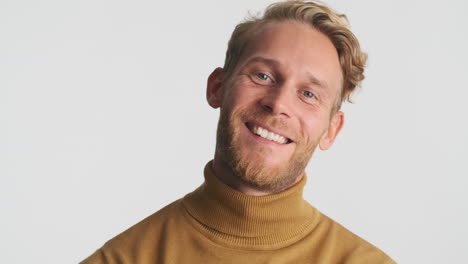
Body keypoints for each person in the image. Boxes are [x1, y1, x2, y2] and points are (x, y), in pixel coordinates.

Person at [81, 1, 396, 263]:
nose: (278, 104)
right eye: (262, 75)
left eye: (309, 94)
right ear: (217, 87)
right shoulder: (122, 258)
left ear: (331, 130)